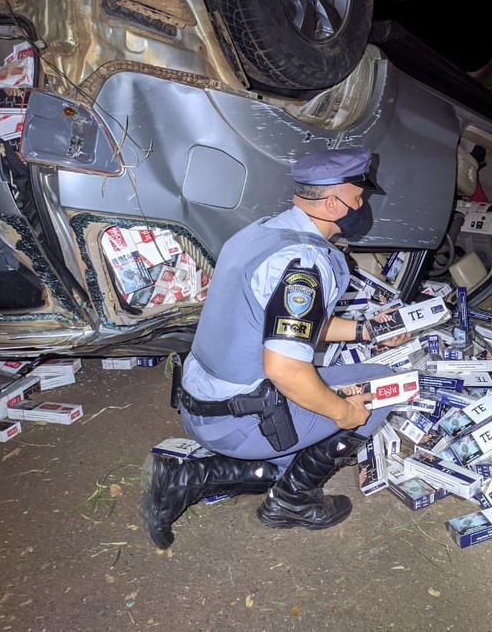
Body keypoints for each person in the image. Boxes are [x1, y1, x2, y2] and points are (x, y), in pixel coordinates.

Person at [140, 147, 407, 549]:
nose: (361, 207)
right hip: (235, 419)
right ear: (333, 205)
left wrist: (364, 331)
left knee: (295, 449)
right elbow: (285, 369)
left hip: (204, 405)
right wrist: (344, 412)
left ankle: (189, 476)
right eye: (357, 198)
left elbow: (284, 323)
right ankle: (292, 501)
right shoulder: (305, 264)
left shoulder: (261, 233)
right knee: (384, 388)